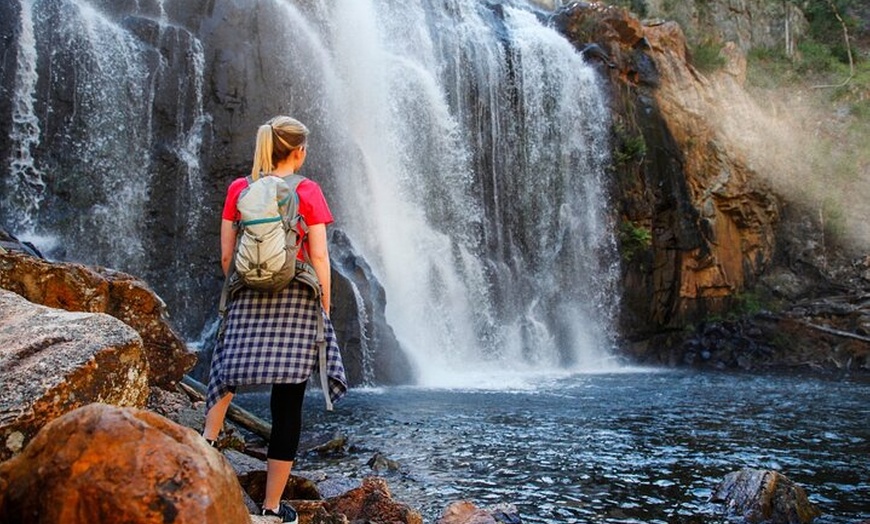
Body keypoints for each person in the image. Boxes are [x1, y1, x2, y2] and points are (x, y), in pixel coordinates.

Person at [204, 116, 347, 522]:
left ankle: (206, 444)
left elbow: (228, 257)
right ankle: (269, 510)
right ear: (299, 151)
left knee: (226, 370)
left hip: (248, 293)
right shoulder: (308, 190)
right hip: (298, 299)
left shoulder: (240, 189)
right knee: (288, 404)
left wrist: (244, 286)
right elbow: (319, 255)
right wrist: (325, 303)